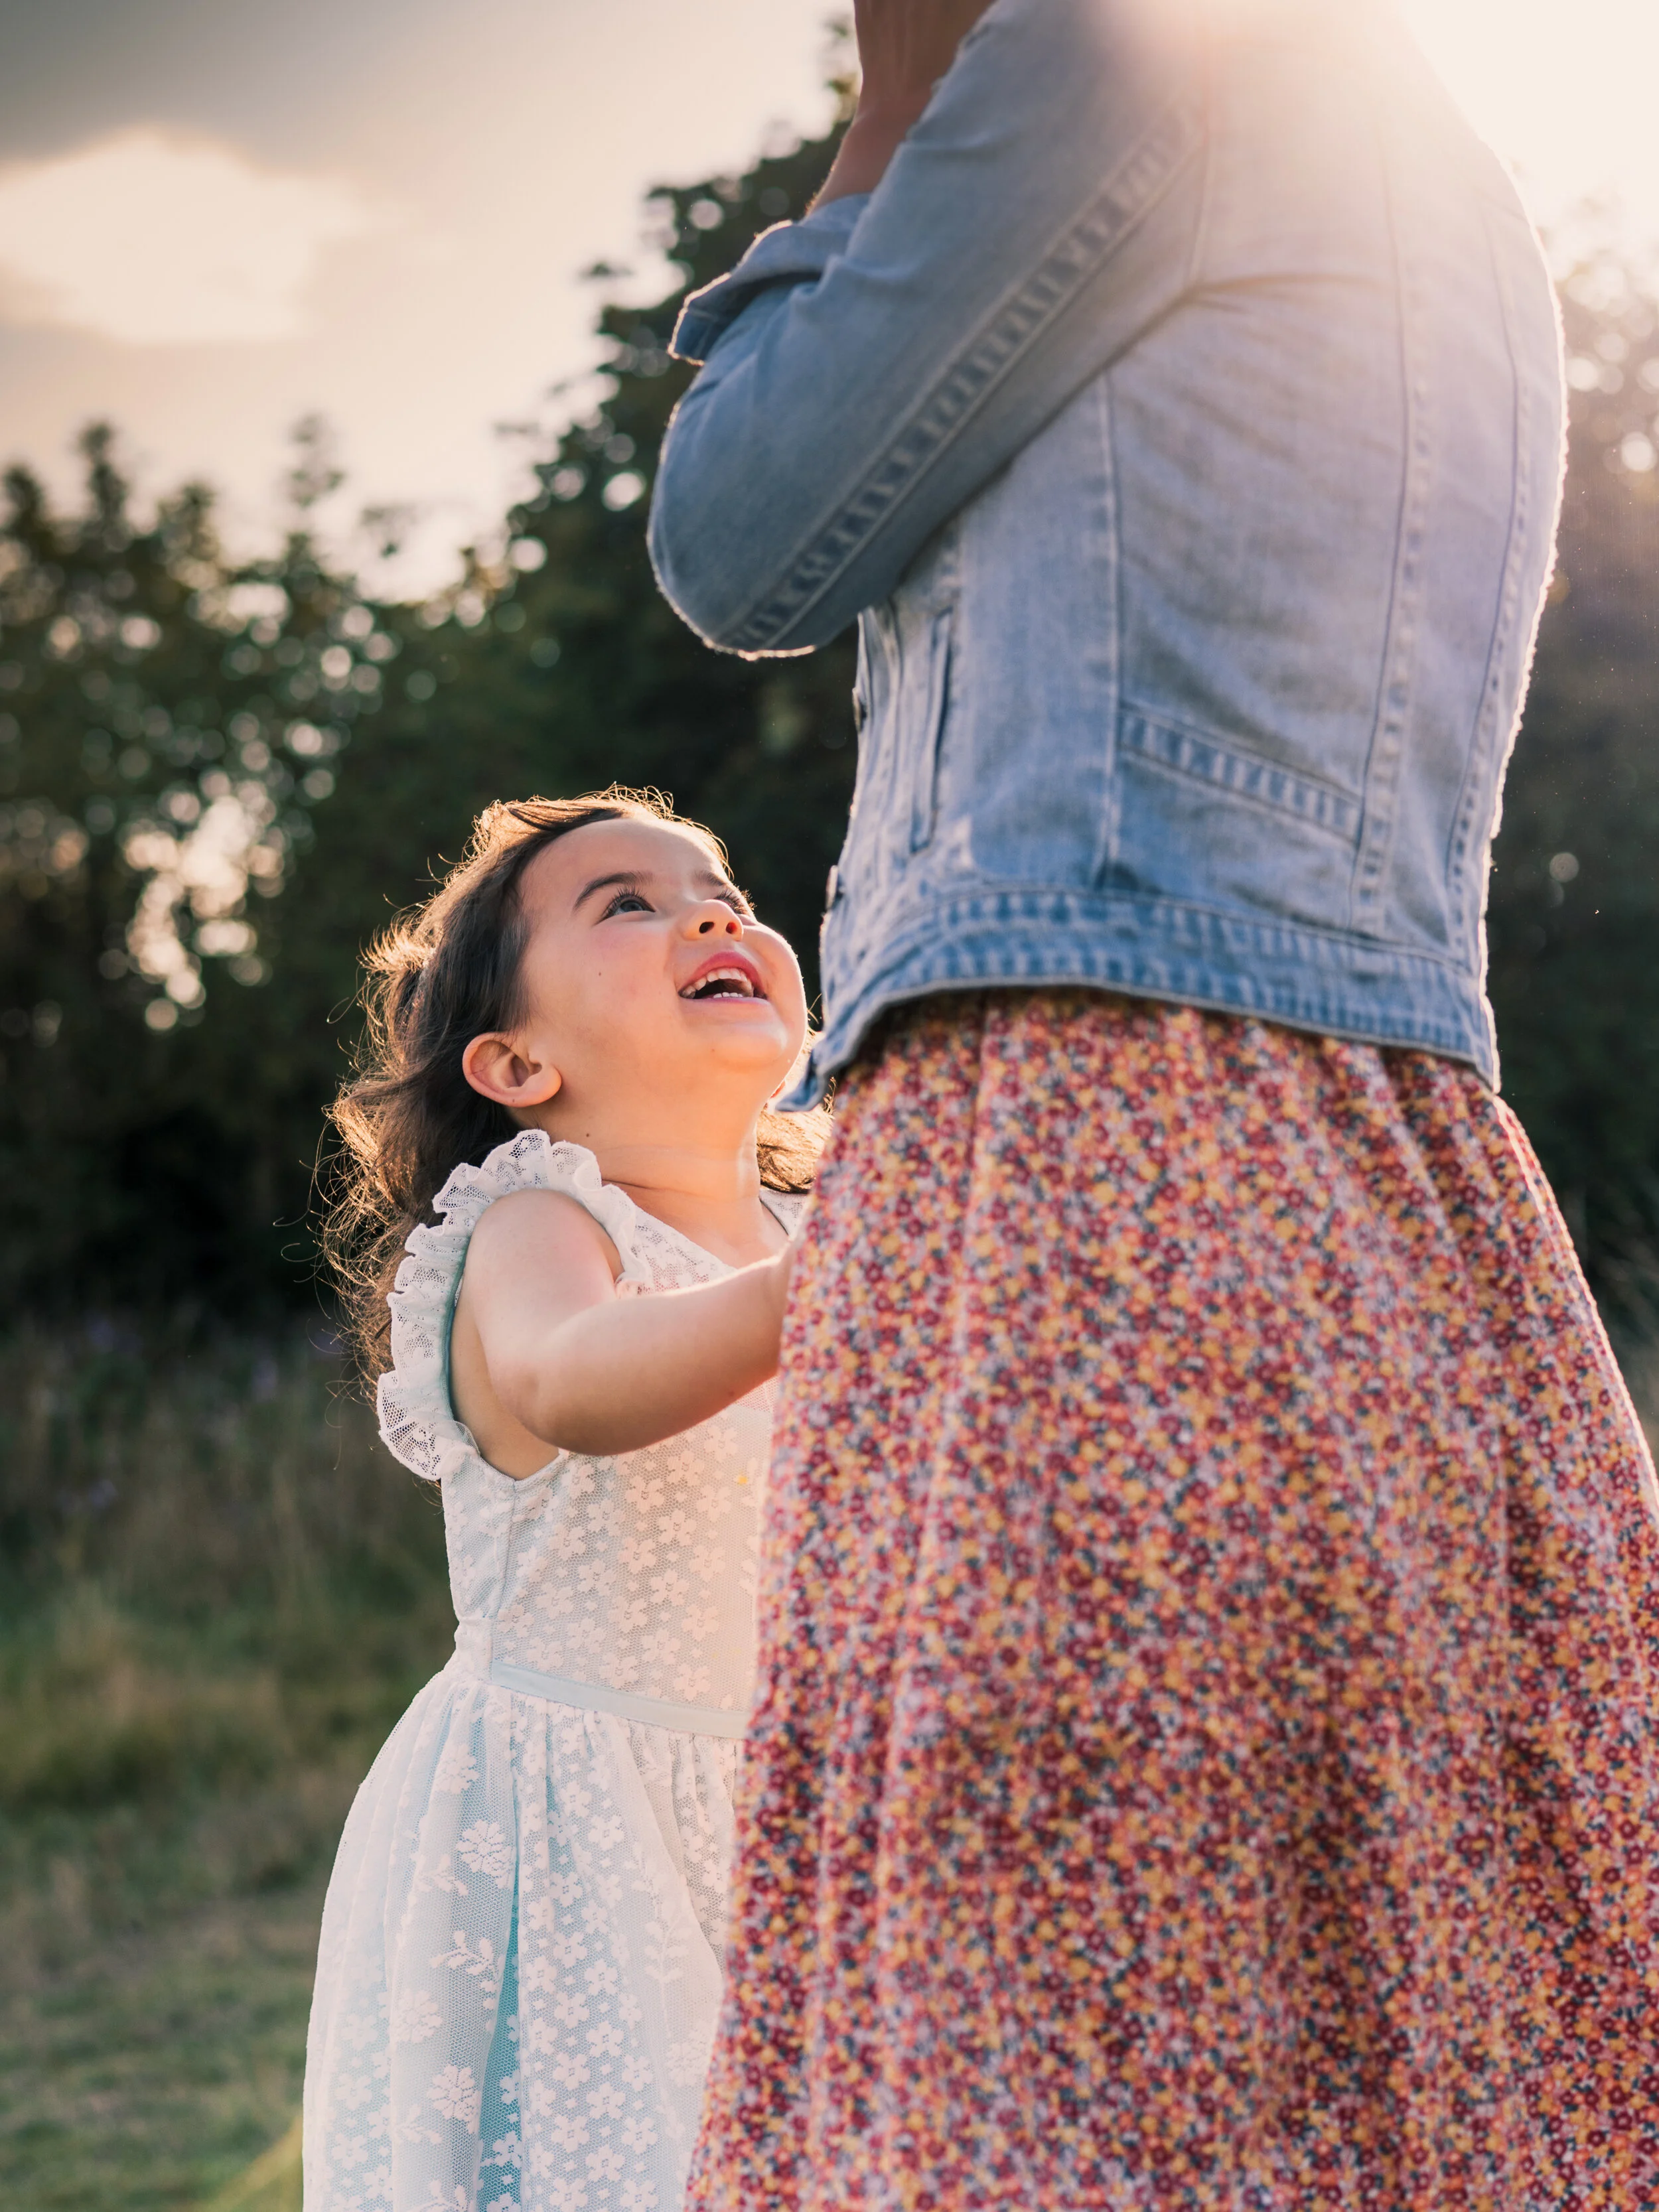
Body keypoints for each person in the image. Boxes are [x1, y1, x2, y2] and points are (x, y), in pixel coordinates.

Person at [648, 1, 1659, 2206]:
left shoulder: (1112, 60)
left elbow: (736, 534)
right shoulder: (1443, 164)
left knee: (1047, 2034)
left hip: (1083, 1165)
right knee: (1395, 2020)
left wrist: (895, 104)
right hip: (1390, 1171)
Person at [303, 791, 821, 2212]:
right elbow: (574, 1374)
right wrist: (823, 1291)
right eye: (627, 904)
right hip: (577, 1838)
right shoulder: (539, 1222)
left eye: (719, 887)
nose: (712, 912)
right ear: (517, 1061)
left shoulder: (821, 1218)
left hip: (796, 1816)